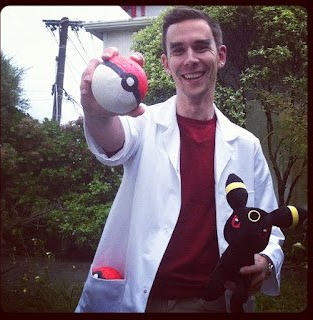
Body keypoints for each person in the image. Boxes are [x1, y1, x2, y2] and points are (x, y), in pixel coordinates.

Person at [75, 7, 285, 313]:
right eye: (178, 50)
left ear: (221, 55)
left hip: (220, 304)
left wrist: (266, 261)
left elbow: (271, 225)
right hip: (146, 301)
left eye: (201, 47)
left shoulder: (245, 145)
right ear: (166, 63)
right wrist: (96, 111)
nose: (190, 59)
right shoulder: (144, 124)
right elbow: (111, 141)